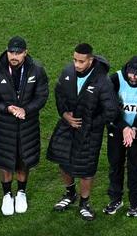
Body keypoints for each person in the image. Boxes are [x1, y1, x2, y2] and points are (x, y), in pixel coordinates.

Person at [0, 36, 49, 216]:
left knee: (23, 160)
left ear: (25, 53)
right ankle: (6, 195)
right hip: (3, 126)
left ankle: (21, 192)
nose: (14, 56)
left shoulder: (37, 70)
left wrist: (26, 109)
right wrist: (7, 108)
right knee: (4, 161)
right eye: (12, 52)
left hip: (27, 126)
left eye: (18, 53)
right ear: (7, 50)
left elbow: (42, 96)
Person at [48, 43, 117, 220]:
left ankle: (85, 202)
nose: (77, 64)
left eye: (81, 61)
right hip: (67, 126)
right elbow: (59, 94)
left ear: (91, 60)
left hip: (90, 132)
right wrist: (65, 114)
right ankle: (70, 194)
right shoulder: (67, 73)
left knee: (86, 168)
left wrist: (89, 123)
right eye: (74, 60)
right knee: (63, 161)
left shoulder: (102, 81)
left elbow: (110, 111)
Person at [104, 55, 137, 216]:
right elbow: (109, 108)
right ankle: (115, 199)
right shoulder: (115, 79)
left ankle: (134, 202)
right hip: (116, 130)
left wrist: (135, 128)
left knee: (135, 168)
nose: (133, 77)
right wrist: (124, 127)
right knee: (115, 165)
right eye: (131, 73)